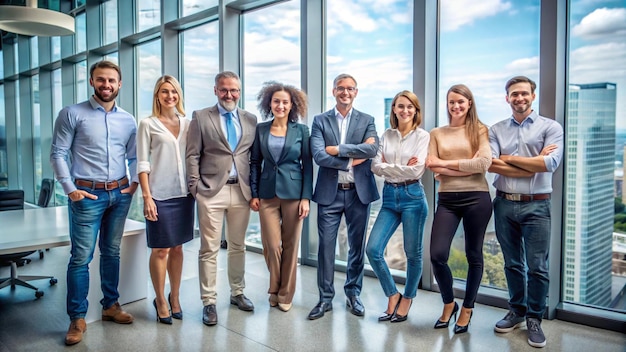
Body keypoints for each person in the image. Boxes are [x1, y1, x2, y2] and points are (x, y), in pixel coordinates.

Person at [51, 60, 138, 346]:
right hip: (86, 196)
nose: (106, 85)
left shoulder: (128, 119)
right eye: (101, 80)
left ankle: (110, 305)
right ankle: (77, 317)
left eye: (111, 80)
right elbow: (58, 153)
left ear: (119, 83)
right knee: (81, 258)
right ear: (92, 81)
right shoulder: (72, 113)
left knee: (112, 252)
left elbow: (134, 157)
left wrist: (134, 184)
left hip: (119, 194)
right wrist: (70, 189)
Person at [489, 76, 563, 348]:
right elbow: (491, 164)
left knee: (538, 267)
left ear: (532, 96)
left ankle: (534, 317)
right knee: (512, 263)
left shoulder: (551, 127)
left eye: (523, 93)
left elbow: (550, 163)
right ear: (507, 98)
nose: (519, 98)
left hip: (537, 204)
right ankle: (517, 311)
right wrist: (532, 163)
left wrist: (509, 158)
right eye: (513, 94)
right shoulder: (496, 129)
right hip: (504, 203)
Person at [186, 71, 258, 327]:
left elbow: (252, 157)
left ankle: (237, 292)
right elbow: (192, 154)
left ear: (240, 91)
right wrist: (195, 187)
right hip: (211, 191)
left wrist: (254, 191)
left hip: (241, 191)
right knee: (209, 249)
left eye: (234, 90)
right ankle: (209, 301)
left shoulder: (250, 119)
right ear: (216, 90)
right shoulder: (201, 116)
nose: (230, 95)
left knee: (238, 246)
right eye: (224, 90)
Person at [308, 73, 379, 320]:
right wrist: (352, 160)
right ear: (334, 91)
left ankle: (353, 294)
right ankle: (325, 299)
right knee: (326, 248)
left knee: (356, 248)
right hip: (330, 194)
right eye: (341, 88)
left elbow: (372, 149)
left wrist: (338, 150)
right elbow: (318, 155)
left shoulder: (367, 120)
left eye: (350, 88)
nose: (345, 92)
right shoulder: (320, 121)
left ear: (356, 92)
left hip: (359, 194)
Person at [426, 84, 492, 334]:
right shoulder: (436, 133)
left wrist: (445, 165)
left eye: (461, 102)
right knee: (437, 255)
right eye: (452, 101)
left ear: (470, 104)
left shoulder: (480, 130)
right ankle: (449, 303)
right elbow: (432, 167)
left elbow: (483, 163)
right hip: (447, 200)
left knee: (474, 255)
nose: (456, 106)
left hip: (477, 198)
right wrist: (464, 166)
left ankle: (467, 308)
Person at [366, 90, 430, 323]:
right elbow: (375, 166)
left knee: (413, 254)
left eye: (409, 107)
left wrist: (389, 165)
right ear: (393, 109)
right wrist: (400, 165)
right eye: (400, 106)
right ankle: (392, 293)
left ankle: (408, 297)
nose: (405, 111)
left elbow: (416, 170)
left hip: (413, 196)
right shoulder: (387, 134)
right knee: (373, 249)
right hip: (390, 197)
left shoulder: (422, 136)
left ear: (415, 110)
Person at [249, 81, 313, 312]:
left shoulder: (301, 131)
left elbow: (307, 164)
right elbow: (255, 162)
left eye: (285, 102)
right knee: (272, 245)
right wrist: (254, 193)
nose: (281, 105)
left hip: (294, 194)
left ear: (292, 105)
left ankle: (284, 294)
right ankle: (275, 287)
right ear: (269, 103)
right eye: (276, 101)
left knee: (291, 245)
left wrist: (306, 197)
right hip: (266, 194)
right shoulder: (261, 129)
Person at [137, 75, 194, 325]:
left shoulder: (189, 124)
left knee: (179, 248)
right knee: (161, 250)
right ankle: (160, 299)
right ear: (157, 96)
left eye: (174, 91)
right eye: (164, 92)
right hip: (158, 195)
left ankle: (175, 296)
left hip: (184, 195)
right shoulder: (147, 124)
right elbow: (142, 163)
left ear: (179, 95)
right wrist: (147, 197)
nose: (170, 96)